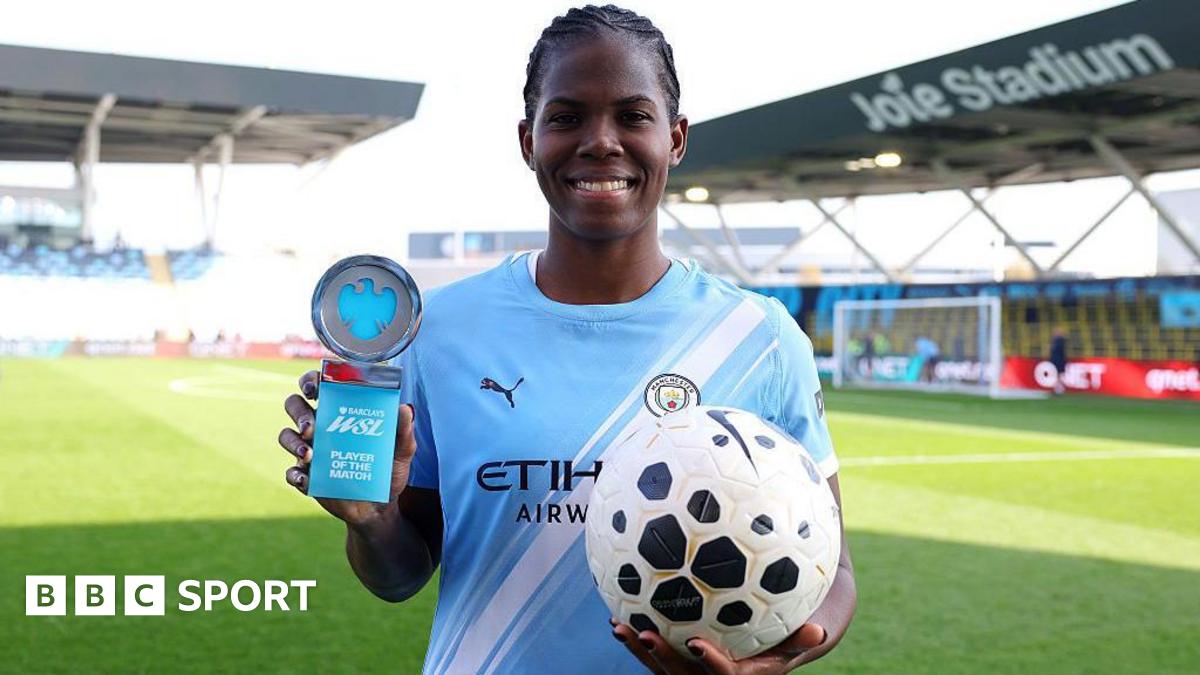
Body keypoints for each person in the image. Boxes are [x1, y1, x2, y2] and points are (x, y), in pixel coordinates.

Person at [277, 6, 855, 673]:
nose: (601, 141)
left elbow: (834, 569)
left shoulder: (760, 337)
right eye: (567, 117)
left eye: (633, 116)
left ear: (675, 138)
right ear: (529, 141)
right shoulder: (438, 330)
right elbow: (398, 575)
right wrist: (370, 520)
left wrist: (785, 653)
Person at [1050, 326, 1068, 394]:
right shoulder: (1057, 341)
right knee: (1058, 375)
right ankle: (1058, 388)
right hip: (1058, 360)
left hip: (1059, 360)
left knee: (1059, 375)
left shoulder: (1060, 341)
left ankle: (1059, 389)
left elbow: (1057, 351)